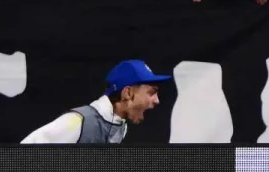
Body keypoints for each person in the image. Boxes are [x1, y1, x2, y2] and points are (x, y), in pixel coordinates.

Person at [20, 59, 170, 143]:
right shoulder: (79, 122)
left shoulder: (120, 126)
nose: (157, 101)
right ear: (127, 93)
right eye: (151, 93)